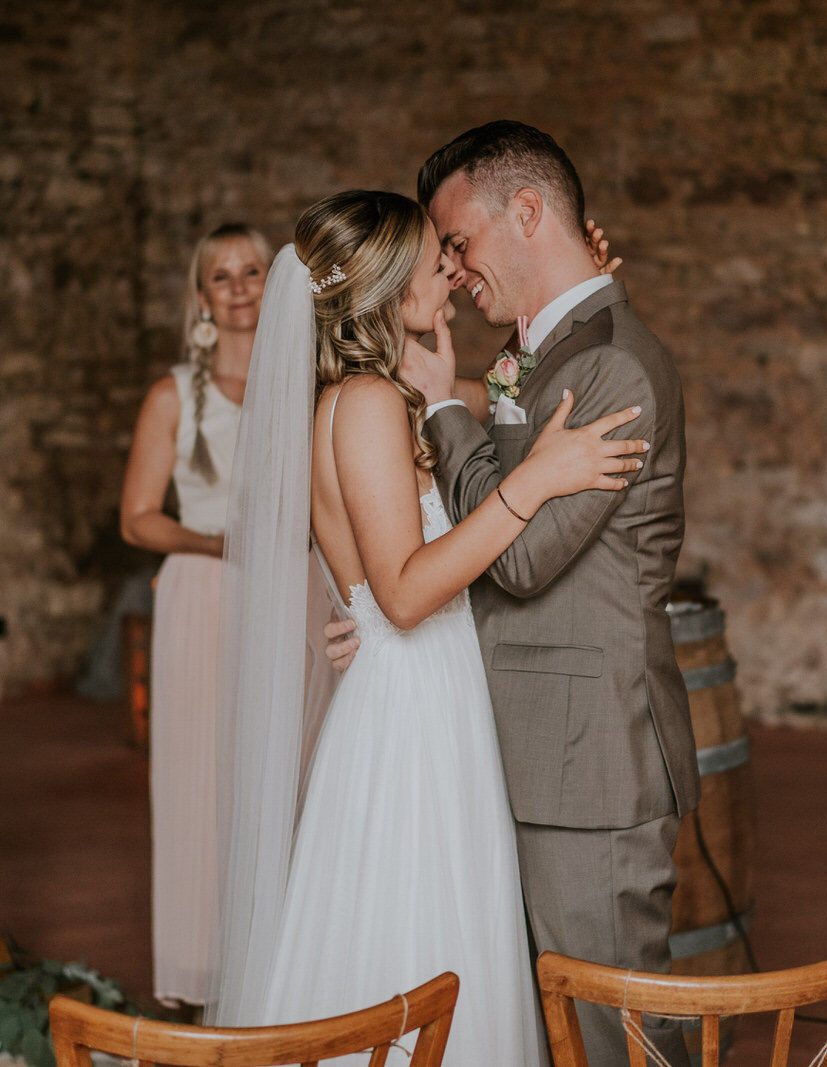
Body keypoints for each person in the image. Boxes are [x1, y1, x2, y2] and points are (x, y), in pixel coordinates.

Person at [205, 190, 648, 1065]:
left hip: (424, 690)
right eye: (429, 261)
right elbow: (404, 595)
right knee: (420, 926)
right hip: (412, 708)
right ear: (382, 286)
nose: (447, 271)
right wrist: (540, 483)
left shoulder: (382, 394)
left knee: (432, 928)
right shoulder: (366, 401)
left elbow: (506, 399)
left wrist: (562, 291)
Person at [403, 120, 701, 1067]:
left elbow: (522, 558)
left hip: (591, 761)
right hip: (543, 747)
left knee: (615, 1036)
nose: (452, 270)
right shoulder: (553, 349)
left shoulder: (611, 362)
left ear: (526, 211)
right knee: (554, 1031)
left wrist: (444, 404)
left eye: (459, 242)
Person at [118, 223, 272, 1010]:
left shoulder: (304, 386)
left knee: (282, 768)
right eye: (223, 275)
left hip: (288, 595)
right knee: (202, 777)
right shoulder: (172, 394)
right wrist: (215, 542)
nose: (241, 286)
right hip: (204, 594)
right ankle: (201, 967)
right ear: (202, 296)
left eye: (254, 270)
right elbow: (137, 518)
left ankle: (278, 958)